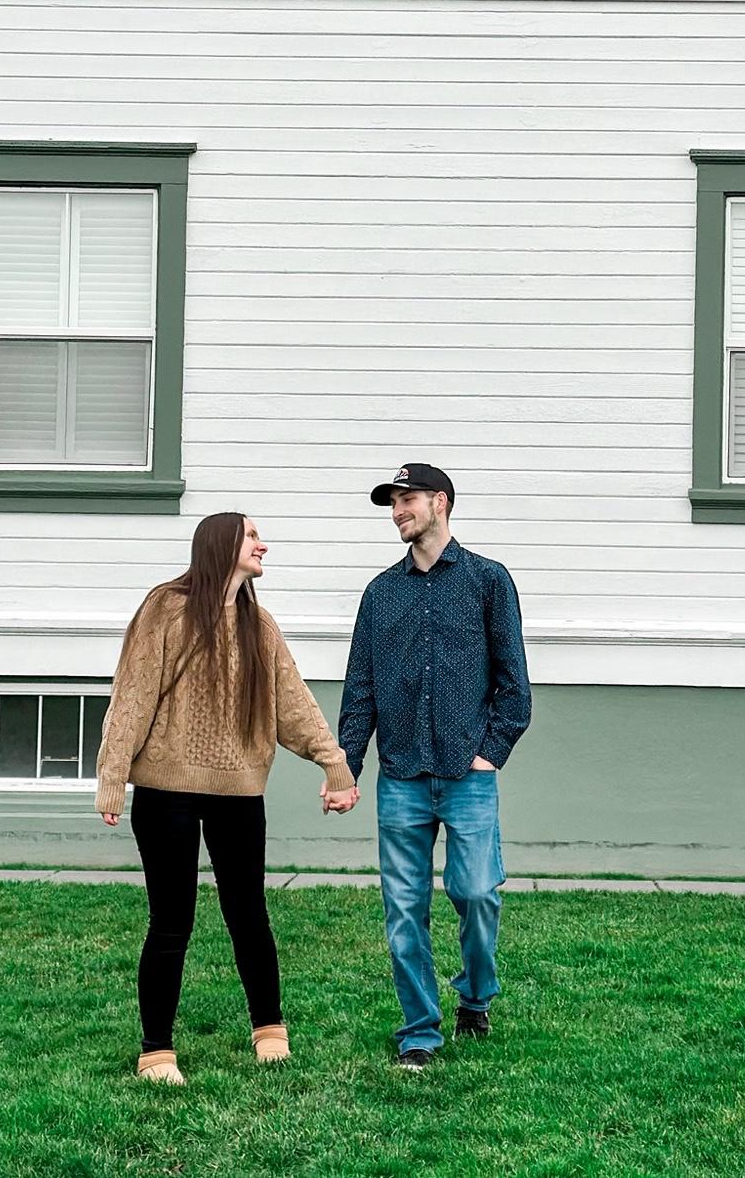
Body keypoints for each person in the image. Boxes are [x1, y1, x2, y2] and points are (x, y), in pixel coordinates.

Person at [95, 511, 360, 1083]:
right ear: (222, 545)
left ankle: (269, 1030)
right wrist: (112, 775)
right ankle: (156, 1050)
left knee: (249, 914)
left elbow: (292, 702)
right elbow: (132, 694)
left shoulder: (258, 625)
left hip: (238, 792)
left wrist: (334, 762)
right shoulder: (165, 608)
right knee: (171, 922)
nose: (263, 546)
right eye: (253, 536)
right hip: (165, 791)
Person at [338, 463, 531, 1070]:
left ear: (440, 502)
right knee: (403, 911)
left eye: (407, 499)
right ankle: (419, 1031)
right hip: (401, 777)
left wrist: (489, 753)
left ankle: (475, 994)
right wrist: (346, 767)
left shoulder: (487, 581)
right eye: (392, 503)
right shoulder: (380, 593)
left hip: (468, 775)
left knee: (476, 893)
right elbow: (360, 688)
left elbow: (514, 686)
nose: (397, 511)